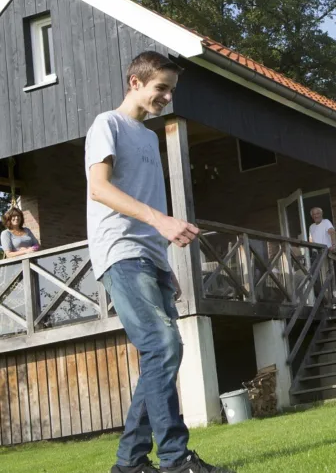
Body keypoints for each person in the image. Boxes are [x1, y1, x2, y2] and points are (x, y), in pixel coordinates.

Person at [86, 51, 232, 473]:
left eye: (171, 89)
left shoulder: (149, 138)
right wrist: (162, 220)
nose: (167, 96)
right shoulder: (106, 125)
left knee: (160, 354)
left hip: (150, 257)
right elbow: (99, 189)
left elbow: (148, 200)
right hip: (120, 250)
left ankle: (130, 463)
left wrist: (165, 262)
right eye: (161, 88)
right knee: (163, 346)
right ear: (135, 82)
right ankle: (174, 459)